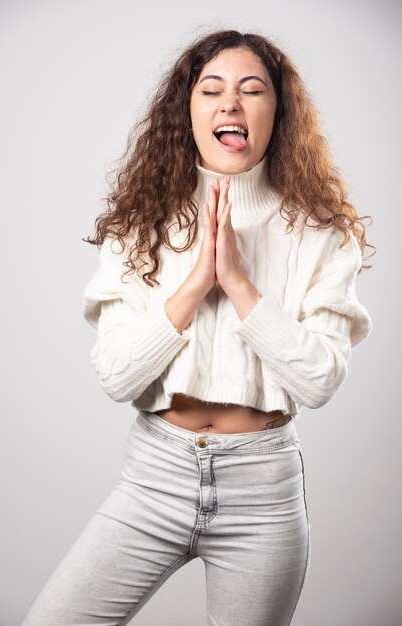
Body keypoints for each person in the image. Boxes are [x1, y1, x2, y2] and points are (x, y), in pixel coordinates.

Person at [21, 29, 373, 626]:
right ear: (188, 110)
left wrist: (238, 283)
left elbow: (317, 384)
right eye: (212, 89)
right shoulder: (140, 221)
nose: (230, 103)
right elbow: (115, 374)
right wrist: (195, 285)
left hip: (262, 492)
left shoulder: (321, 232)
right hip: (154, 478)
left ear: (277, 113)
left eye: (252, 90)